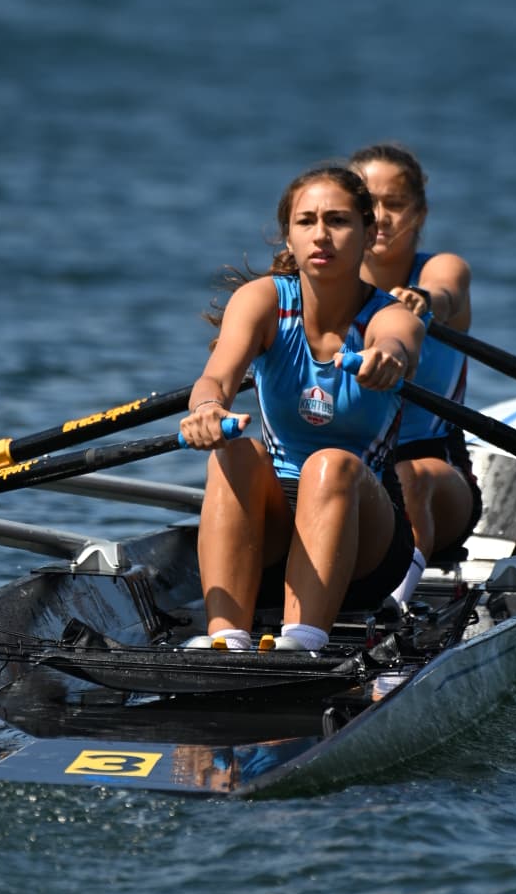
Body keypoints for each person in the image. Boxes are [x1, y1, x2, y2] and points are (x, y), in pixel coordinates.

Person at [178, 163, 426, 653]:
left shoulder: (391, 315)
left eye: (338, 221)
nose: (321, 235)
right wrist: (207, 408)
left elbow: (397, 342)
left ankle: (304, 640)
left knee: (330, 464)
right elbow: (217, 378)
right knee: (235, 453)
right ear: (288, 238)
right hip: (275, 535)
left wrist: (386, 359)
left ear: (368, 234)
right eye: (306, 221)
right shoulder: (262, 301)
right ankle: (225, 640)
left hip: (367, 545)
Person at [349, 143, 482, 606]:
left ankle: (396, 604)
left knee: (409, 477)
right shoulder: (325, 281)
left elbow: (446, 291)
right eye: (369, 203)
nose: (381, 217)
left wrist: (424, 301)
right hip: (344, 468)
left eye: (395, 204)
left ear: (419, 212)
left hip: (435, 474)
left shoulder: (441, 268)